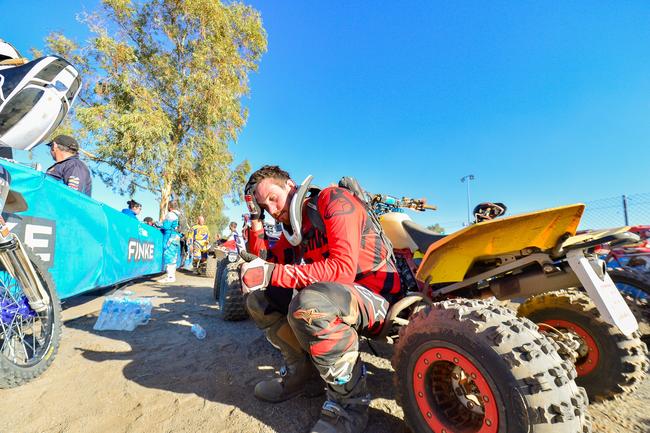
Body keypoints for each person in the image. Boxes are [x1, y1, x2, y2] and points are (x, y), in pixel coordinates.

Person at [241, 165, 401, 433]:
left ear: (290, 185)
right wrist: (255, 221)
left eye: (272, 198)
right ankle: (304, 373)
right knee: (260, 300)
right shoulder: (294, 227)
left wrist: (271, 272)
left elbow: (342, 269)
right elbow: (265, 261)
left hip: (378, 298)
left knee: (308, 305)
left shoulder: (332, 199)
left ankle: (349, 404)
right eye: (262, 206)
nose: (271, 209)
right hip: (339, 297)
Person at [161, 201, 181, 283]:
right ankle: (171, 276)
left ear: (169, 206)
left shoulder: (170, 214)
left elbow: (165, 226)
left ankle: (170, 277)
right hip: (176, 237)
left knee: (169, 255)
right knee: (173, 256)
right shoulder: (178, 215)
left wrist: (158, 224)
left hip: (170, 237)